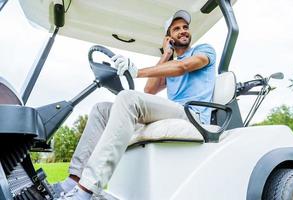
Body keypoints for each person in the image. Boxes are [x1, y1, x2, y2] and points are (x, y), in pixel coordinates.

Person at [54, 10, 216, 200]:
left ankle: (85, 190)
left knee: (128, 98)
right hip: (174, 111)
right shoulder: (170, 62)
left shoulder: (203, 50)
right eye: (176, 29)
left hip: (192, 113)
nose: (183, 31)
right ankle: (73, 180)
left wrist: (136, 71)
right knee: (102, 110)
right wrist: (166, 54)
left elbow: (183, 67)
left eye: (185, 27)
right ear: (168, 37)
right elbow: (150, 90)